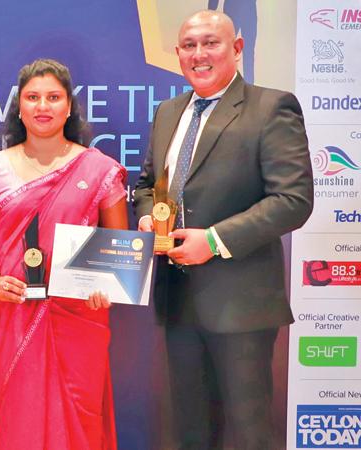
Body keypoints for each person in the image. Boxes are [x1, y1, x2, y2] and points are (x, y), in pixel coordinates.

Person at [133, 10, 313, 449]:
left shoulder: (272, 107)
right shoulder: (168, 112)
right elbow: (146, 185)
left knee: (250, 432)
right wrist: (146, 215)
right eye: (189, 45)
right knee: (192, 432)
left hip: (241, 303)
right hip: (177, 300)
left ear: (237, 49)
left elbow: (293, 200)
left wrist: (213, 241)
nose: (199, 54)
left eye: (210, 43)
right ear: (177, 54)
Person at [0, 59, 126, 450]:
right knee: (19, 417)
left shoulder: (100, 169)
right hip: (12, 313)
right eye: (33, 97)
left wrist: (104, 287)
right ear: (19, 107)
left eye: (53, 97)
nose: (43, 106)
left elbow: (119, 249)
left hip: (79, 317)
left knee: (79, 420)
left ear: (69, 106)